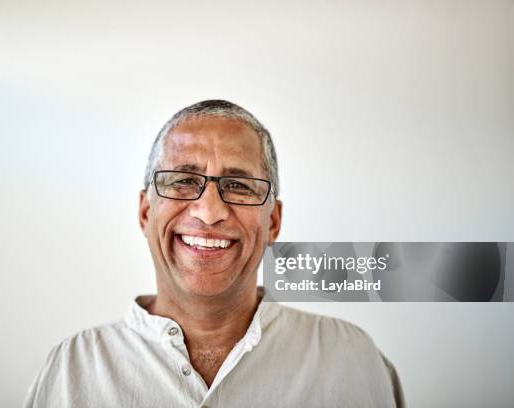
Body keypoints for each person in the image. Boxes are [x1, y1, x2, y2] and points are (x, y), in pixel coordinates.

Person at [23, 100, 405, 407]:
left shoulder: (352, 360)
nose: (209, 211)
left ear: (272, 221)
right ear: (145, 213)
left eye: (238, 185)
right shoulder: (72, 371)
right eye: (183, 181)